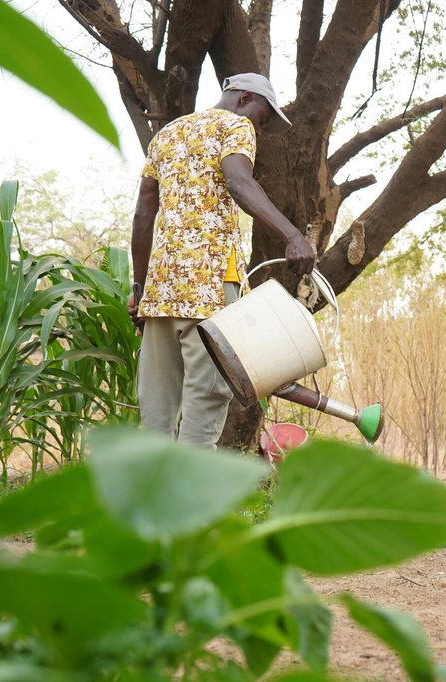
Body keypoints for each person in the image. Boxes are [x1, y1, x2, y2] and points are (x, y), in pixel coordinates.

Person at [127, 73, 315, 447]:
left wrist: (140, 290)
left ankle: (150, 502)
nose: (257, 132)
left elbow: (143, 215)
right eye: (261, 120)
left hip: (161, 294)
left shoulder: (165, 136)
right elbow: (239, 182)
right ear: (244, 99)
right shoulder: (234, 126)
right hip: (210, 289)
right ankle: (193, 503)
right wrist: (293, 235)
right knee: (206, 400)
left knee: (156, 416)